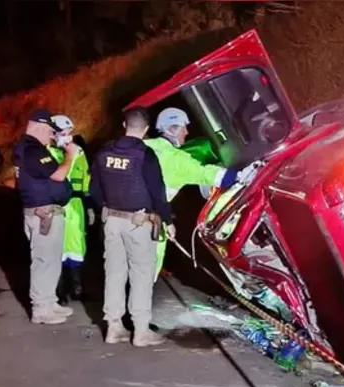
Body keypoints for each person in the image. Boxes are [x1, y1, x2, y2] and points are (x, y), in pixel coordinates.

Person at [90, 107, 174, 347]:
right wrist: (167, 221)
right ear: (146, 129)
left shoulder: (104, 151)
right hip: (139, 224)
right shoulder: (145, 155)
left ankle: (114, 327)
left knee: (114, 274)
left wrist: (104, 209)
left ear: (124, 125)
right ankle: (140, 331)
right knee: (141, 276)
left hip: (112, 221)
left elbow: (94, 189)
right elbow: (158, 194)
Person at [144, 107, 252, 280]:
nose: (186, 132)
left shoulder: (142, 147)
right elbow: (209, 174)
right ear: (172, 129)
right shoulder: (175, 159)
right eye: (183, 127)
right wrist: (243, 175)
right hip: (149, 226)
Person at [14, 108, 79, 324]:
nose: (52, 136)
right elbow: (58, 175)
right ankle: (41, 308)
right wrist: (70, 156)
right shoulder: (32, 150)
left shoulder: (32, 149)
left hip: (46, 212)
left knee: (51, 261)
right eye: (51, 132)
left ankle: (49, 302)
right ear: (40, 126)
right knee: (44, 261)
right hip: (43, 214)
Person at [44, 115, 92, 305]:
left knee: (77, 247)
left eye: (69, 133)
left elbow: (86, 178)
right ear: (53, 134)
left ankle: (77, 289)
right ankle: (59, 291)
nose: (68, 137)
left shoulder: (79, 152)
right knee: (58, 249)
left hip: (77, 207)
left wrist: (89, 206)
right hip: (57, 207)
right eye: (64, 133)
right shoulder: (46, 154)